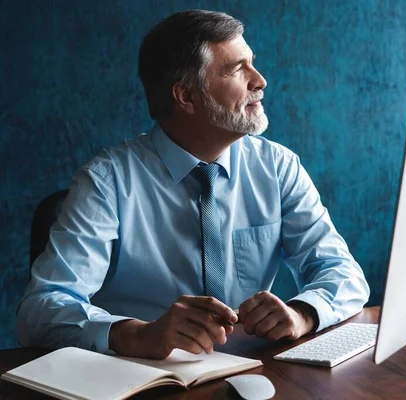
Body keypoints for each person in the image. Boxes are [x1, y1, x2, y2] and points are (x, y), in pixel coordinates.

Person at [16, 10, 369, 359]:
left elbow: (343, 272)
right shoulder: (106, 182)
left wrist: (303, 313)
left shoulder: (278, 167)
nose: (260, 80)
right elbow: (40, 309)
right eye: (236, 69)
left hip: (252, 370)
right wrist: (138, 334)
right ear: (186, 96)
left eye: (252, 63)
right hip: (143, 378)